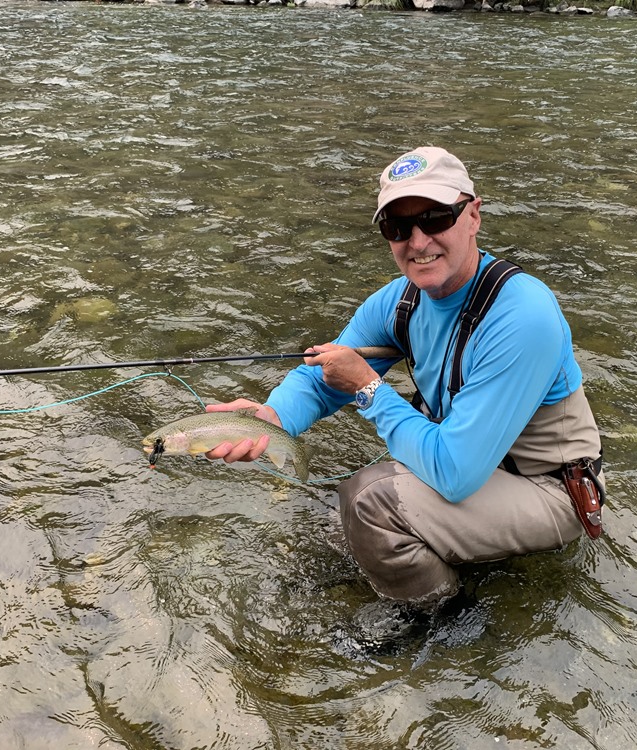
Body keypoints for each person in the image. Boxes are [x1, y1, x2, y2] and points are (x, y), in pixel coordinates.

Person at [204, 146, 604, 604]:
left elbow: (453, 473)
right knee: (345, 520)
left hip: (548, 490)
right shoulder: (400, 301)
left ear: (473, 216)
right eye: (397, 227)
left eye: (435, 218)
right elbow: (326, 372)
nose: (417, 242)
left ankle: (443, 623)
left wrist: (370, 389)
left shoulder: (523, 317)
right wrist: (270, 420)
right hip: (478, 465)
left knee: (370, 500)